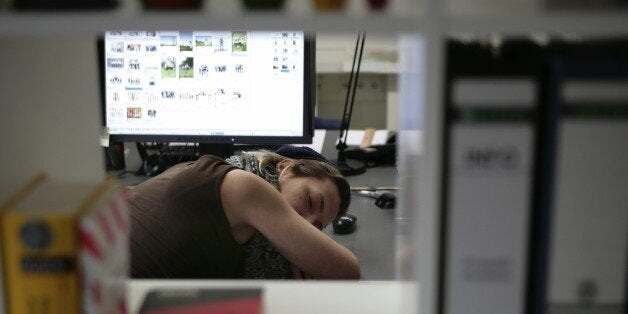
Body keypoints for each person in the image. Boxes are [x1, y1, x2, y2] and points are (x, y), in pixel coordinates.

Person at [128, 146, 360, 280]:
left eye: (317, 227)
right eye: (310, 201)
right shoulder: (245, 186)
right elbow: (348, 271)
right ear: (284, 167)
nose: (306, 223)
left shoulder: (199, 169)